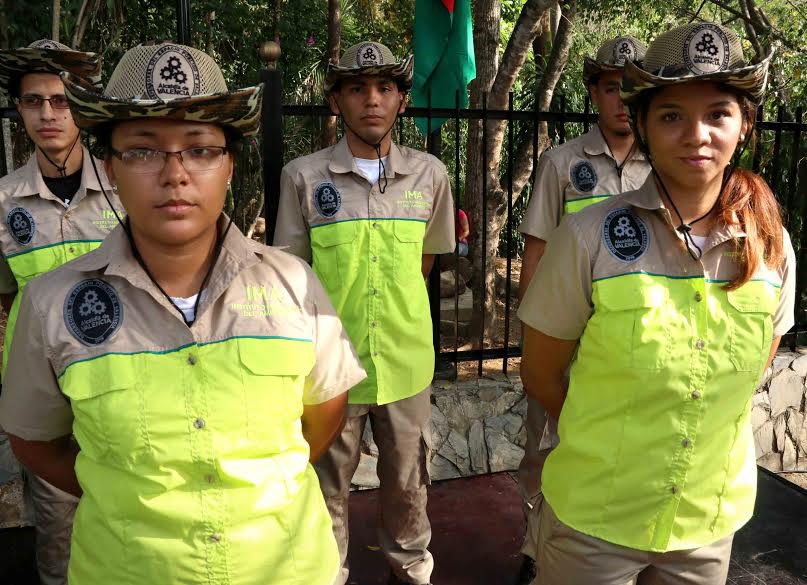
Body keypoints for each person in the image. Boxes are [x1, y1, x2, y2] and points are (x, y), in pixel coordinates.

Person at [0, 41, 366, 585]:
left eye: (200, 149)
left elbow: (324, 414)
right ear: (111, 168)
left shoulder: (293, 284)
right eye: (144, 151)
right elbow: (35, 440)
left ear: (229, 165)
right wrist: (127, 491)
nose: (175, 174)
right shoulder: (51, 304)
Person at [520, 22, 794, 585]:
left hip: (706, 520)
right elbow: (542, 374)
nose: (697, 134)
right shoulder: (589, 236)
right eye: (672, 116)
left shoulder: (771, 244)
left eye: (718, 113)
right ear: (643, 125)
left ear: (743, 126)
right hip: (594, 518)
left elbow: (756, 364)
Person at [274, 41, 455, 585]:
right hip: (329, 370)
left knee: (408, 488)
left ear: (402, 100)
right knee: (326, 489)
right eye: (357, 88)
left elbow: (424, 260)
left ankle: (410, 573)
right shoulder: (304, 177)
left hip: (405, 364)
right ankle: (328, 574)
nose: (371, 101)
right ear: (336, 100)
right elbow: (292, 272)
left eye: (384, 89)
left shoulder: (429, 176)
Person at [514, 34, 651, 583]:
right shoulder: (563, 163)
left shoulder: (662, 165)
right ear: (594, 91)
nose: (622, 101)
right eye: (612, 88)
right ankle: (534, 546)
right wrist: (536, 335)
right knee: (546, 444)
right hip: (566, 335)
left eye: (632, 89)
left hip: (628, 342)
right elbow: (537, 249)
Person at [0, 38, 123, 585]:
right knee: (57, 526)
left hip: (124, 378)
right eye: (33, 101)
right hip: (48, 389)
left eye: (61, 100)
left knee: (129, 508)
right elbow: (8, 298)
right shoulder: (4, 203)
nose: (48, 114)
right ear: (19, 109)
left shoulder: (124, 187)